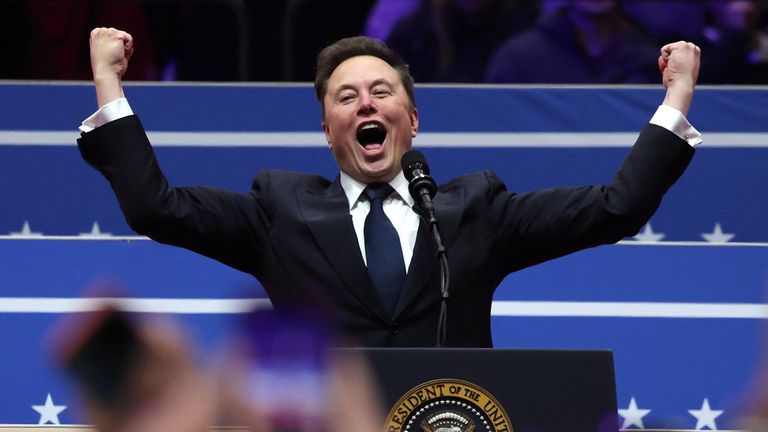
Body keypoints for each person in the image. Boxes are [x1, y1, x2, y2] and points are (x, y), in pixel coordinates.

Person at [78, 27, 701, 347]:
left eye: (382, 92)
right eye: (346, 98)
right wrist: (108, 80)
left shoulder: (477, 209)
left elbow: (617, 208)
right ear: (328, 130)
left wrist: (676, 97)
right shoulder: (278, 212)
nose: (365, 104)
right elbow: (155, 208)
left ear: (412, 119)